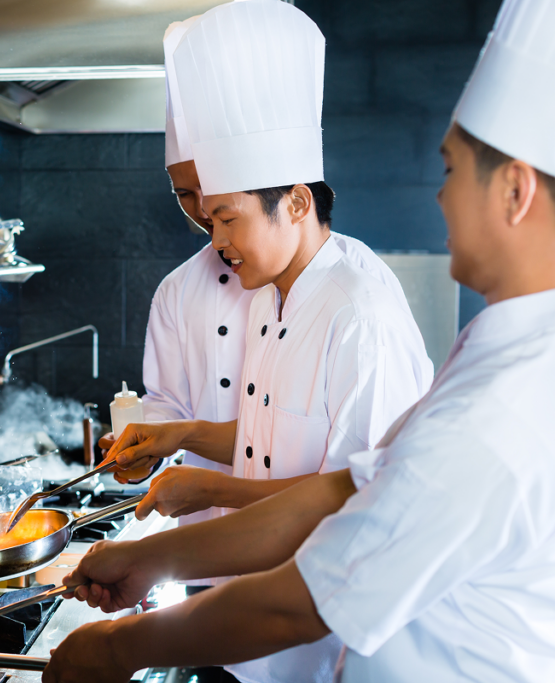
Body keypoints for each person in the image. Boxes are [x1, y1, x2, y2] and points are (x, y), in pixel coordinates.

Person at [42, 0, 555, 681]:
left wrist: (116, 647)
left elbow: (309, 595)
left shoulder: (497, 403)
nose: (439, 197)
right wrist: (157, 556)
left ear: (515, 192)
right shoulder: (498, 355)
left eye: (453, 169)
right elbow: (348, 489)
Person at [103, 3, 432, 682]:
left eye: (226, 216)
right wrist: (183, 435)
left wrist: (197, 499)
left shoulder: (358, 313)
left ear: (298, 204)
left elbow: (352, 503)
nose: (215, 240)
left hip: (321, 648)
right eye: (204, 212)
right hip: (246, 636)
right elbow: (269, 438)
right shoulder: (268, 293)